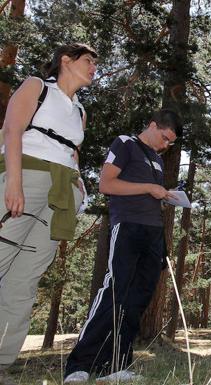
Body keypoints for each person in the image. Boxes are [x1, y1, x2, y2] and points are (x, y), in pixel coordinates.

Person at [0, 43, 97, 384]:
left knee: (24, 279)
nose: (94, 67)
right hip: (24, 176)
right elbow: (12, 131)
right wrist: (13, 183)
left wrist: (81, 186)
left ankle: (1, 363)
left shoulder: (81, 111)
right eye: (89, 60)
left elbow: (73, 154)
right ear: (65, 61)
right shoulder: (36, 87)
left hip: (61, 191)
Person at [63, 109, 182, 384]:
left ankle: (115, 364)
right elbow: (107, 184)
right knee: (114, 292)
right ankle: (78, 364)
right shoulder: (125, 143)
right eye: (165, 138)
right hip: (127, 228)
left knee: (137, 299)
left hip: (153, 232)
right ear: (153, 125)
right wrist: (148, 188)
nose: (166, 146)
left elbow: (148, 193)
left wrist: (164, 196)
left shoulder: (156, 159)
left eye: (170, 143)